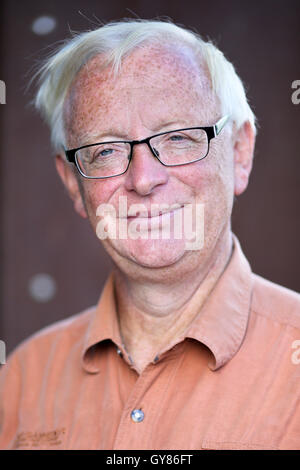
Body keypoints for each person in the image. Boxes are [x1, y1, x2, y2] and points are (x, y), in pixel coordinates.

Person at [0, 18, 299, 451]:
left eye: (178, 138)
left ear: (240, 152)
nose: (144, 179)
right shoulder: (23, 377)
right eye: (105, 149)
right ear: (72, 184)